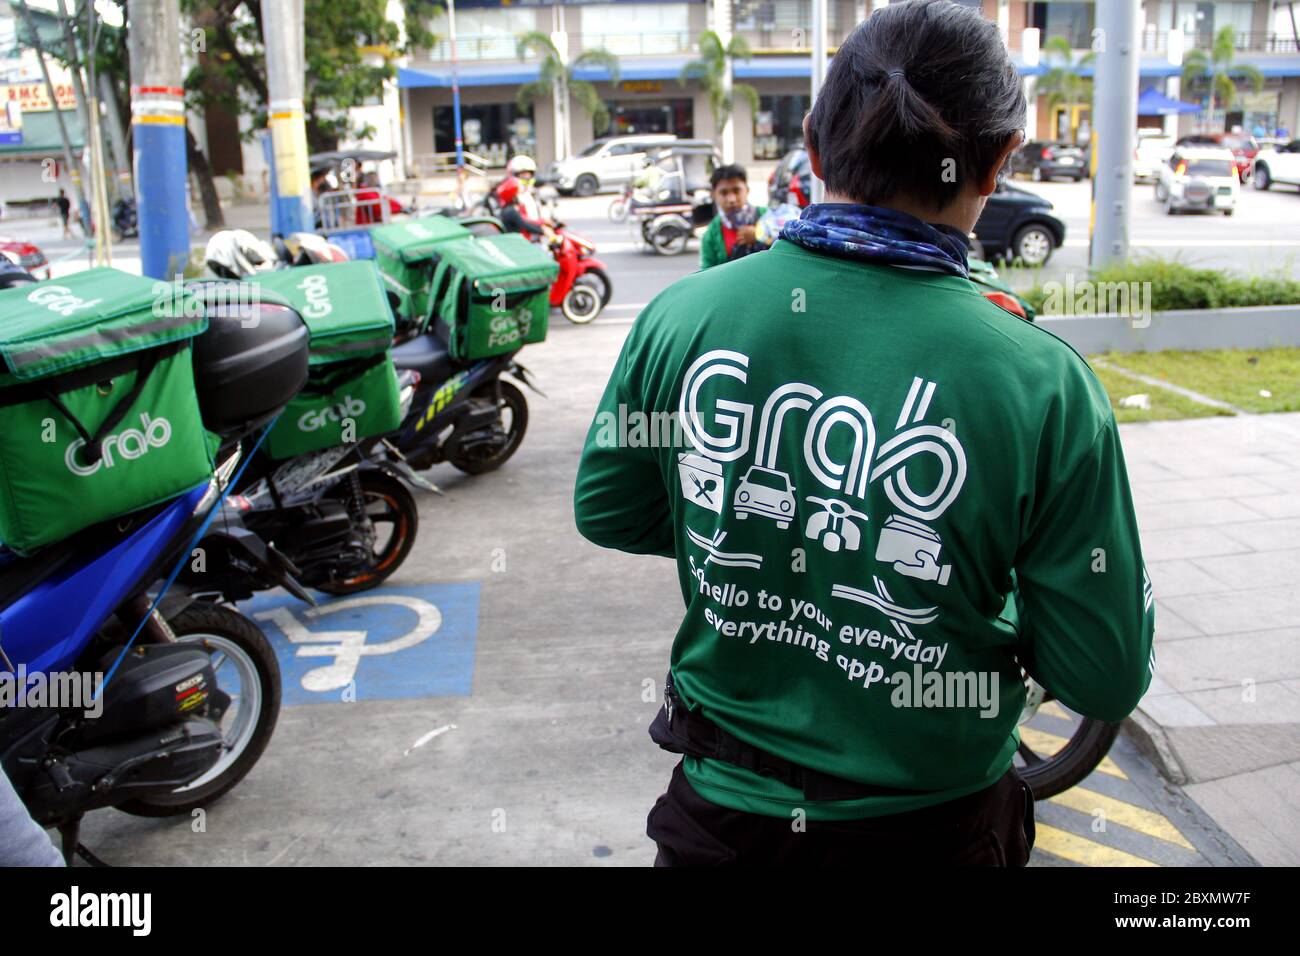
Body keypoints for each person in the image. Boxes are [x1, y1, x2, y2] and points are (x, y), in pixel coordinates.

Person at [574, 0, 1154, 867]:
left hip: (717, 827)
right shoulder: (1042, 382)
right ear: (996, 162)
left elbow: (609, 510)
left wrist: (760, 528)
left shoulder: (681, 317)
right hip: (935, 831)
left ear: (811, 143)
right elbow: (1105, 674)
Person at [699, 164, 767, 270]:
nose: (731, 199)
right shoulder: (711, 234)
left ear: (747, 190)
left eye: (736, 191)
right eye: (724, 193)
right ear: (713, 195)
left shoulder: (766, 215)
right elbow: (706, 274)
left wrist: (759, 234)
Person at [497, 176, 555, 244]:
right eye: (519, 193)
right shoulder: (510, 211)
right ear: (514, 196)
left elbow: (526, 219)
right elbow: (525, 225)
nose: (522, 195)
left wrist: (542, 222)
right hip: (517, 245)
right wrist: (543, 231)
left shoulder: (512, 208)